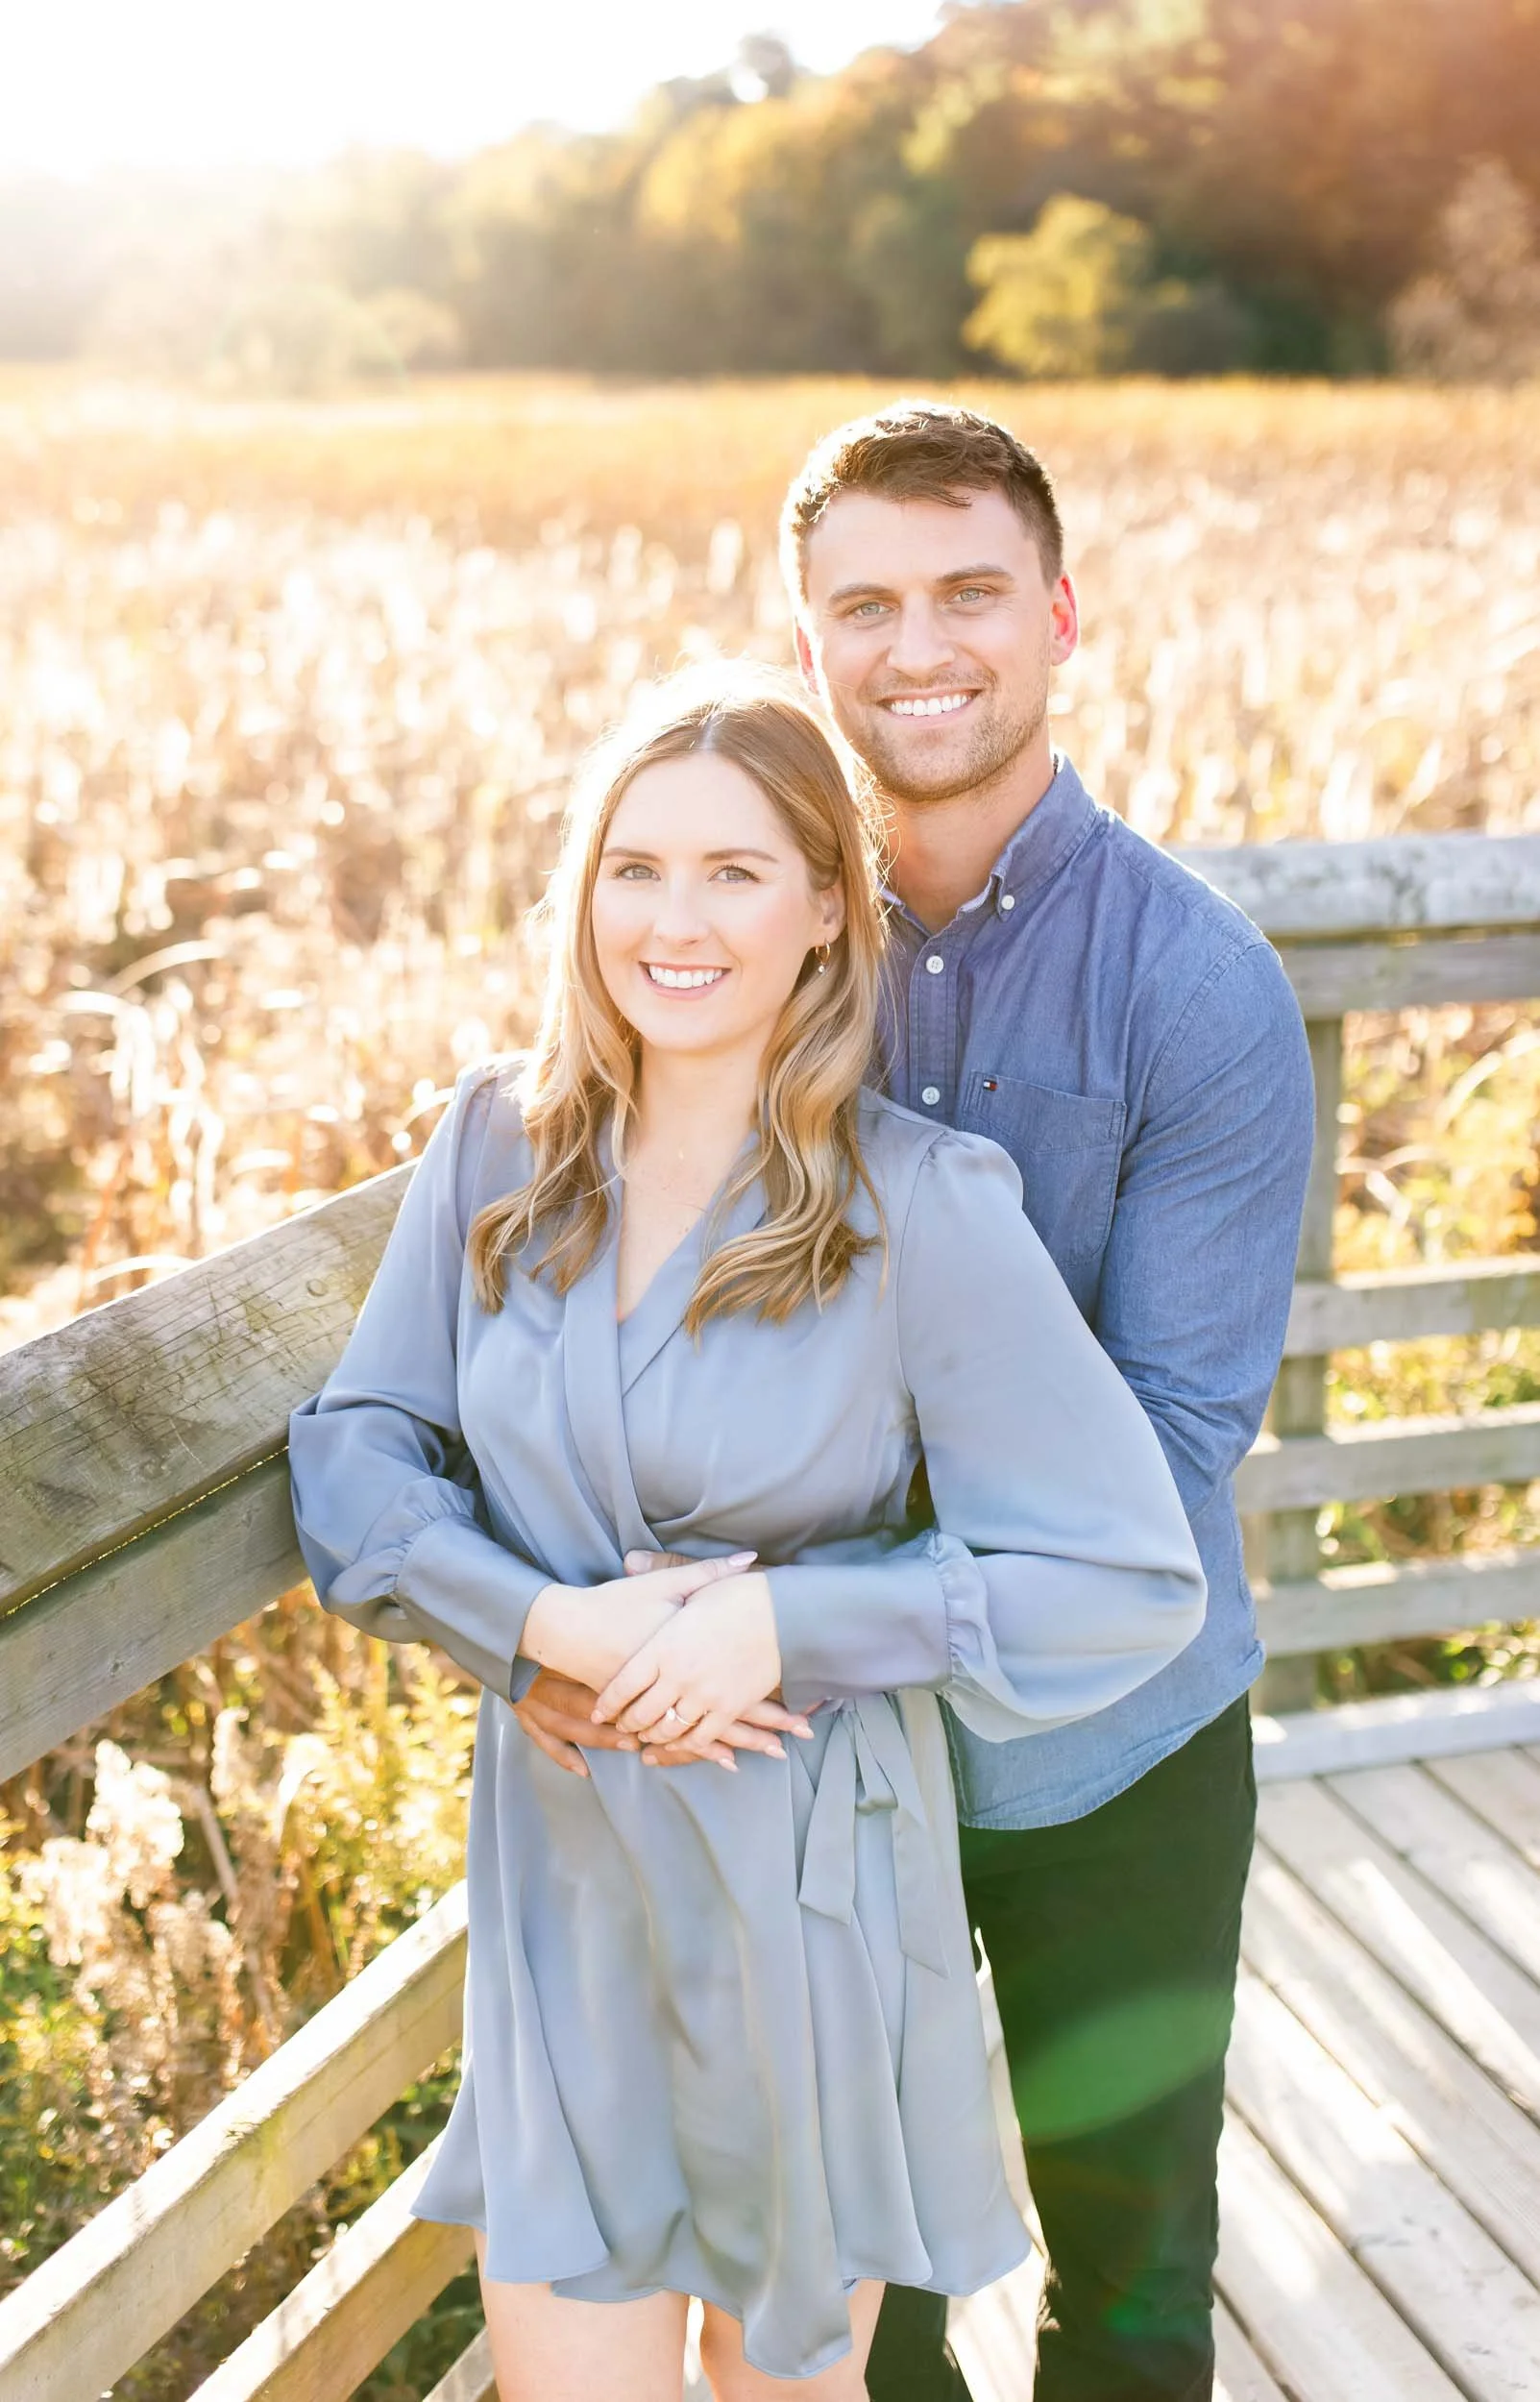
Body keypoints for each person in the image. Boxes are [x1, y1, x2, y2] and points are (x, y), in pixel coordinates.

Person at [516, 406, 1315, 2402]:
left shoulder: (1195, 992)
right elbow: (582, 1282)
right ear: (807, 647)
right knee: (856, 2304)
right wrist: (551, 1606)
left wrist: (782, 1600)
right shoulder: (740, 940)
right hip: (813, 1777)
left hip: (1102, 1755)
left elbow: (1168, 1461)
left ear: (1059, 614)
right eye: (862, 602)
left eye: (969, 589)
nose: (920, 642)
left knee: (1128, 2279)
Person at [288, 669, 1207, 2401]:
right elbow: (351, 1452)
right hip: (565, 1884)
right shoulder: (496, 1146)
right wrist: (534, 1632)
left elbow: (1123, 1574)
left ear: (821, 913)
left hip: (809, 1884)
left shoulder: (919, 1209)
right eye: (633, 869)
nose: (675, 920)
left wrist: (782, 1627)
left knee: (789, 2382)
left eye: (733, 871)